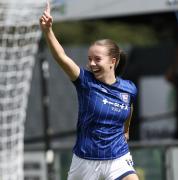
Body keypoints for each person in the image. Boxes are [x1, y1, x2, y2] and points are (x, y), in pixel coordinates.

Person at [39, 1, 139, 180]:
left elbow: (129, 106)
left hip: (118, 157)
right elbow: (61, 57)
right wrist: (48, 31)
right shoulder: (85, 81)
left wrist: (126, 129)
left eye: (97, 59)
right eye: (89, 59)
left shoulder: (129, 88)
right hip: (85, 159)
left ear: (113, 61)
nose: (91, 64)